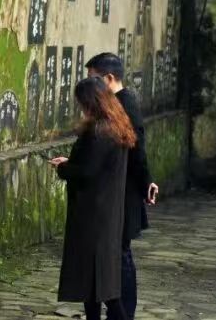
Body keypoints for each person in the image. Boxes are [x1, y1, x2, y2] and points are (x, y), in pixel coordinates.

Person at [50, 77, 136, 320]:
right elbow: (96, 164)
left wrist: (63, 168)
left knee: (102, 286)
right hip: (106, 213)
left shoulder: (100, 130)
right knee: (94, 285)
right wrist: (70, 162)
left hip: (94, 217)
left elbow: (87, 171)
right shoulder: (115, 125)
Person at [85, 52, 156, 320]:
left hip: (124, 191)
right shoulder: (113, 103)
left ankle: (125, 312)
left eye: (94, 79)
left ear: (109, 78)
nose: (91, 85)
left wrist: (146, 181)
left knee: (121, 253)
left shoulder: (126, 104)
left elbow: (138, 149)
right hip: (113, 189)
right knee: (113, 253)